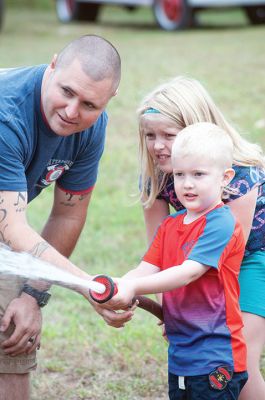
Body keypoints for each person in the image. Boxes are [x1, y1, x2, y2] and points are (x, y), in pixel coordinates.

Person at [0, 34, 132, 400]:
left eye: (89, 103)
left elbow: (67, 215)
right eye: (66, 92)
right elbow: (11, 226)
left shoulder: (91, 128)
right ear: (52, 64)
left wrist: (31, 294)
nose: (73, 112)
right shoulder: (6, 113)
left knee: (13, 330)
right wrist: (91, 287)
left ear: (109, 101)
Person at [136, 76, 265, 400]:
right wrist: (173, 312)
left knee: (240, 359)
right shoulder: (156, 176)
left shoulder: (241, 175)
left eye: (169, 135)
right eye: (150, 135)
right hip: (197, 262)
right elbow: (162, 253)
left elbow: (227, 259)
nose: (157, 145)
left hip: (248, 259)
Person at [100, 122, 248, 399]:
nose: (187, 183)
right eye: (180, 174)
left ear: (225, 177)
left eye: (199, 174)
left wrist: (134, 289)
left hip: (216, 352)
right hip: (182, 351)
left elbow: (188, 273)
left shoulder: (221, 223)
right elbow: (146, 268)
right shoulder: (170, 225)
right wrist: (120, 284)